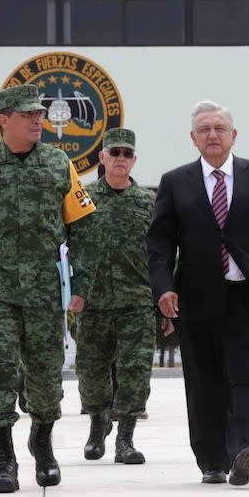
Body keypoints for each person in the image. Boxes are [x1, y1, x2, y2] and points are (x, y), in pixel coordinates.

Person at [0, 84, 95, 492]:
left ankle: (42, 444)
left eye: (39, 115)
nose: (37, 121)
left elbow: (83, 229)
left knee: (45, 379)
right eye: (28, 116)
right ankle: (3, 462)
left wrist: (81, 285)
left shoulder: (60, 165)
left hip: (44, 293)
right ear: (3, 120)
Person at [145, 100, 249, 486]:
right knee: (205, 380)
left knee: (247, 374)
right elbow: (159, 244)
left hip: (247, 295)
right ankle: (211, 458)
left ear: (233, 135)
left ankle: (245, 449)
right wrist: (163, 289)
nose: (213, 135)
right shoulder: (175, 182)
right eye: (204, 129)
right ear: (193, 138)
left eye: (219, 128)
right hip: (196, 299)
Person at [69, 127, 161, 465]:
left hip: (137, 302)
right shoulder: (82, 198)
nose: (120, 159)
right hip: (91, 303)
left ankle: (126, 439)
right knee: (91, 373)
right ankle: (98, 424)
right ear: (102, 158)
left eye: (127, 154)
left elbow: (164, 255)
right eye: (114, 153)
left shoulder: (150, 203)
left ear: (134, 160)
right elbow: (65, 248)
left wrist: (164, 302)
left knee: (135, 371)